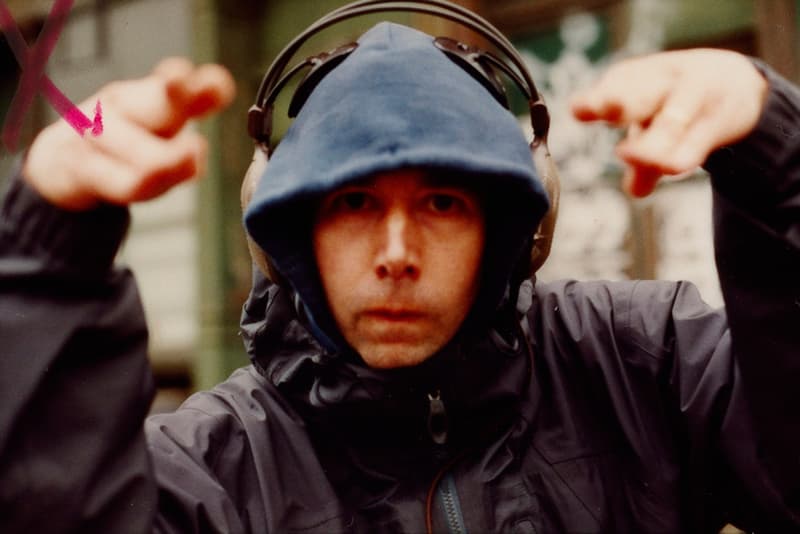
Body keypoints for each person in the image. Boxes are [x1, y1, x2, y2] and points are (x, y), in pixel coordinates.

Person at [2, 14, 799, 534]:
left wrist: (781, 162)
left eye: (443, 202)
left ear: (514, 228)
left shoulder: (643, 364)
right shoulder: (209, 470)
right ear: (288, 236)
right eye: (352, 203)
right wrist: (48, 257)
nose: (395, 252)